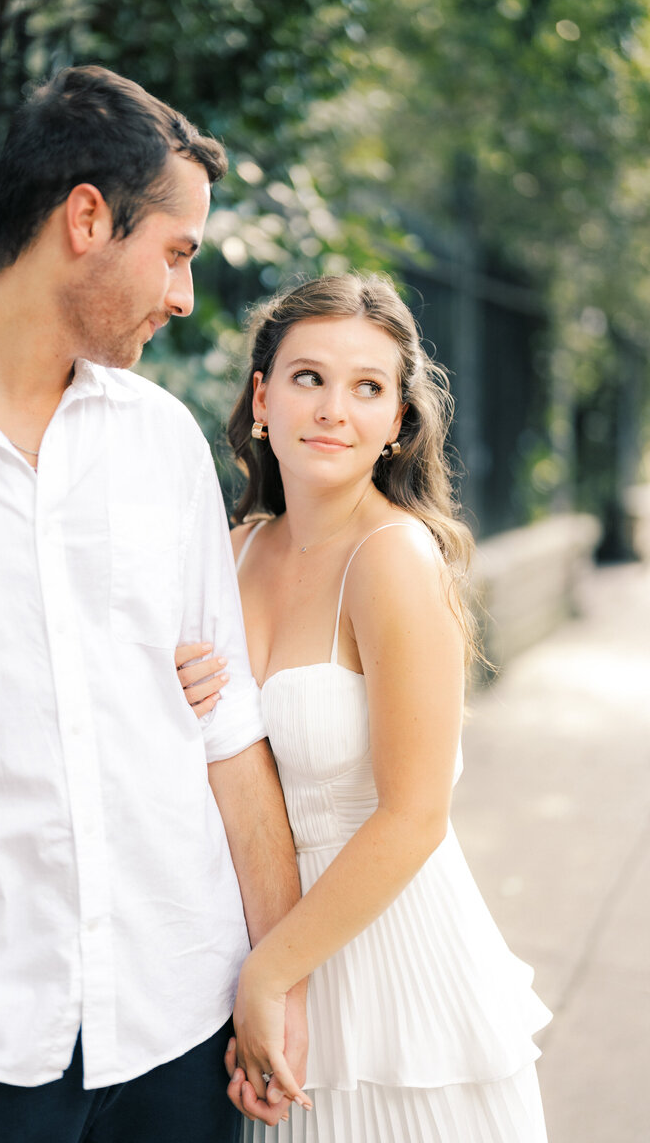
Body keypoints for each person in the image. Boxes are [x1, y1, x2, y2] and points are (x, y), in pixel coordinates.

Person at [0, 65, 309, 1142]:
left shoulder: (159, 442)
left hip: (180, 1030)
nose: (185, 297)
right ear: (87, 218)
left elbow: (227, 732)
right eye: (176, 251)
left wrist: (273, 983)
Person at [175, 272, 552, 1141]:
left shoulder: (393, 558)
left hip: (392, 966)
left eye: (368, 388)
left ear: (395, 425)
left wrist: (270, 975)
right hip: (260, 961)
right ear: (262, 399)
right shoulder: (226, 556)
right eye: (308, 377)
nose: (333, 409)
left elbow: (416, 815)